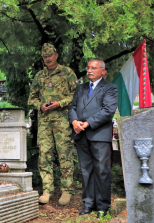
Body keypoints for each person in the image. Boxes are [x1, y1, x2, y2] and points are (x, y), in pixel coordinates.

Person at [27, 43, 77, 205]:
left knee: (64, 154)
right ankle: (47, 190)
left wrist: (60, 103)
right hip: (44, 123)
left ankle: (67, 190)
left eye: (50, 55)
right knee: (44, 155)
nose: (47, 58)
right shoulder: (39, 76)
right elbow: (31, 98)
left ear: (56, 55)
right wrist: (39, 105)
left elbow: (76, 95)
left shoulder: (67, 72)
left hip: (62, 121)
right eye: (44, 56)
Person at [68, 58, 117, 218]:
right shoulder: (80, 88)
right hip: (81, 135)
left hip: (99, 135)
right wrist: (74, 121)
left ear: (102, 71)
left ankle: (102, 206)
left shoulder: (110, 88)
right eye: (88, 67)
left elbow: (108, 111)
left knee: (102, 171)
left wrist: (87, 123)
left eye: (93, 68)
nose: (89, 70)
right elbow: (72, 107)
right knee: (86, 171)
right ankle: (88, 204)